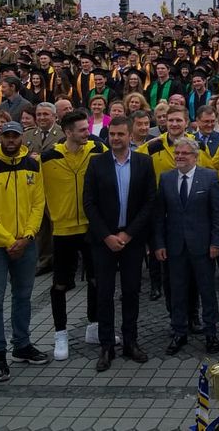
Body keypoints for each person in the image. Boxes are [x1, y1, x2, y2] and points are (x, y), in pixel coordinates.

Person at [0, 120, 48, 380]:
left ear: (22, 137)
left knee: (23, 296)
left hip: (26, 242)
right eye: (7, 136)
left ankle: (22, 344)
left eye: (15, 136)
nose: (11, 140)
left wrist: (27, 235)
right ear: (0, 137)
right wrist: (8, 240)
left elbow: (38, 203)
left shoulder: (33, 165)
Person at [84, 115, 156, 371]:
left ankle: (130, 341)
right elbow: (89, 203)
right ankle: (106, 345)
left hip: (132, 240)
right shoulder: (96, 163)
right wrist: (107, 236)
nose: (115, 139)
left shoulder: (144, 163)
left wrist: (128, 234)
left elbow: (150, 201)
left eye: (120, 134)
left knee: (131, 291)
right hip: (104, 240)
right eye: (112, 134)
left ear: (130, 135)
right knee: (104, 293)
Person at [39, 110, 108, 360]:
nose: (87, 132)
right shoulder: (48, 158)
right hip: (63, 230)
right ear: (67, 132)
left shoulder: (97, 150)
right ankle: (60, 333)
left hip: (91, 227)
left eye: (86, 128)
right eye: (81, 130)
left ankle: (94, 326)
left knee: (96, 279)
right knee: (60, 285)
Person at [154, 135, 219, 355]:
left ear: (195, 157)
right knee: (177, 291)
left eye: (184, 154)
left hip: (203, 246)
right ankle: (179, 331)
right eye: (177, 153)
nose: (179, 157)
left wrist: (216, 242)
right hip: (175, 246)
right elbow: (159, 215)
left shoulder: (209, 177)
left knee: (207, 290)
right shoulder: (166, 179)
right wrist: (159, 244)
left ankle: (211, 332)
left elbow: (218, 214)